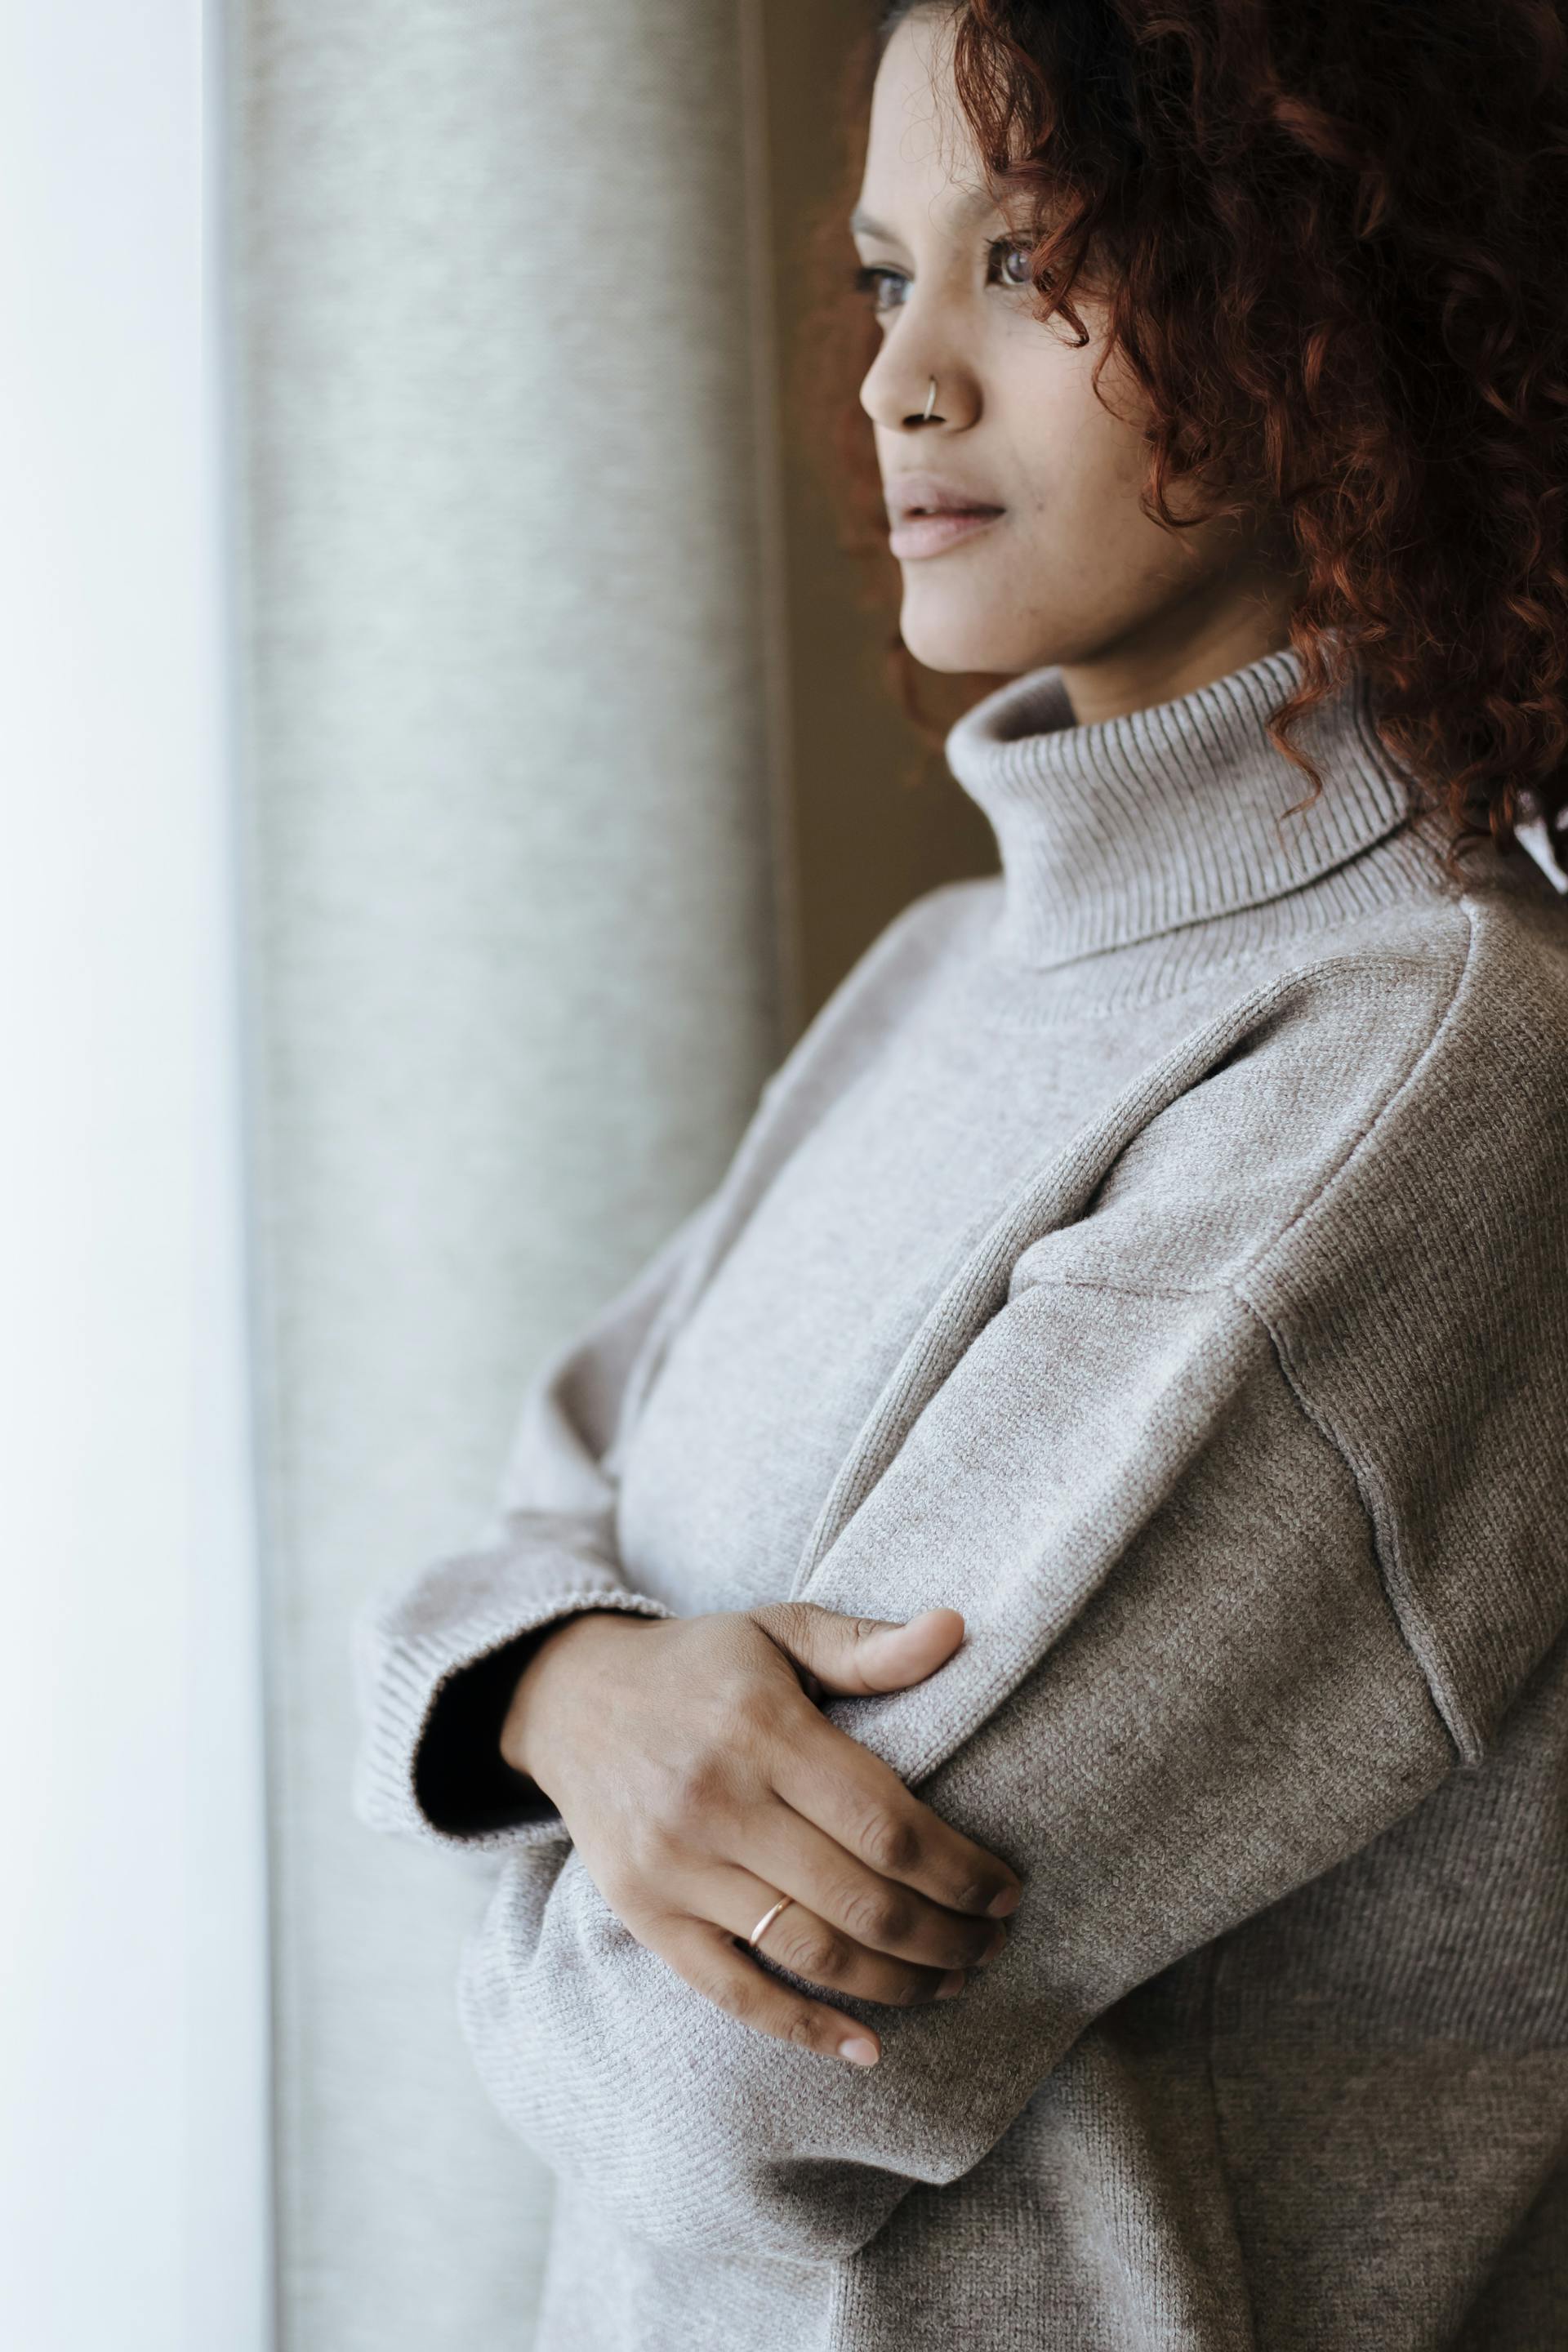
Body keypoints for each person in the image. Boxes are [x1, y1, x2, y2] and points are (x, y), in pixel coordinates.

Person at [350, 3, 1568, 2345]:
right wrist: (568, 1697)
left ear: (1322, 292)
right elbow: (526, 1514)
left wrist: (499, 1816)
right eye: (887, 276)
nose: (908, 380)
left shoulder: (1422, 1067)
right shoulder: (936, 979)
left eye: (1037, 260)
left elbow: (704, 2082)